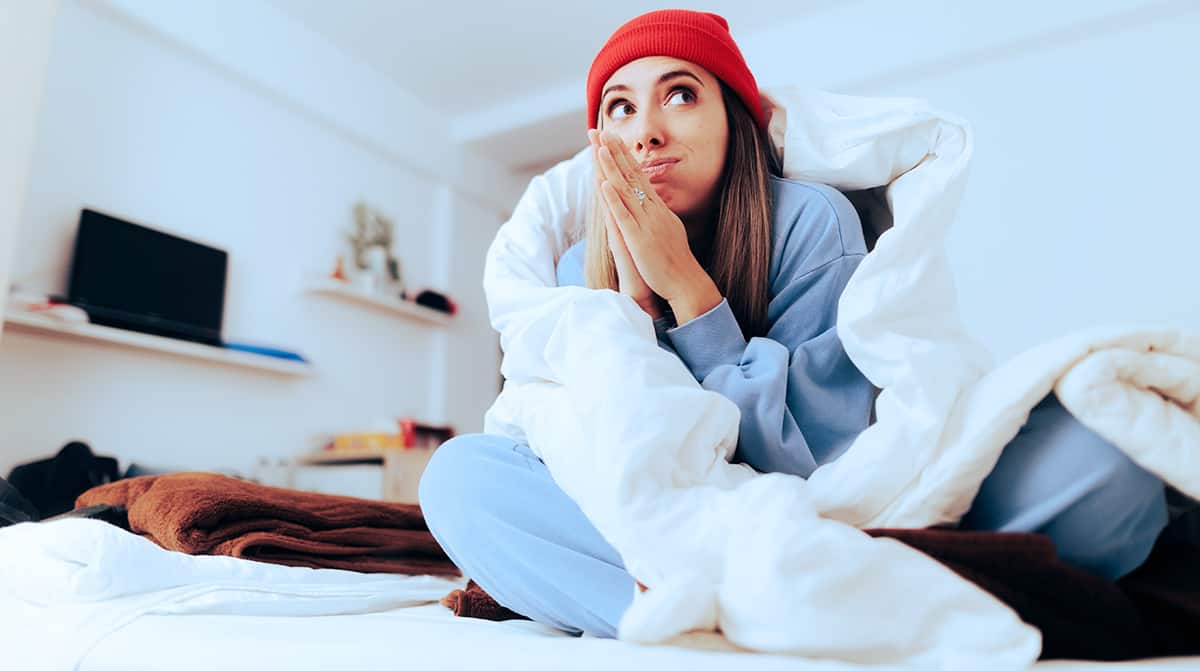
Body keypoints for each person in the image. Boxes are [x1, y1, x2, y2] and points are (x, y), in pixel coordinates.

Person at [419, 9, 1170, 638]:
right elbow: (587, 449)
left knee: (1110, 477)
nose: (645, 130)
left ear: (733, 121)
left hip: (837, 506)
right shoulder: (578, 266)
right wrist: (631, 319)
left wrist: (690, 294)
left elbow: (817, 458)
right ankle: (757, 611)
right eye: (620, 107)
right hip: (687, 525)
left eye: (679, 94)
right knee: (460, 478)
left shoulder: (811, 219)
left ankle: (736, 605)